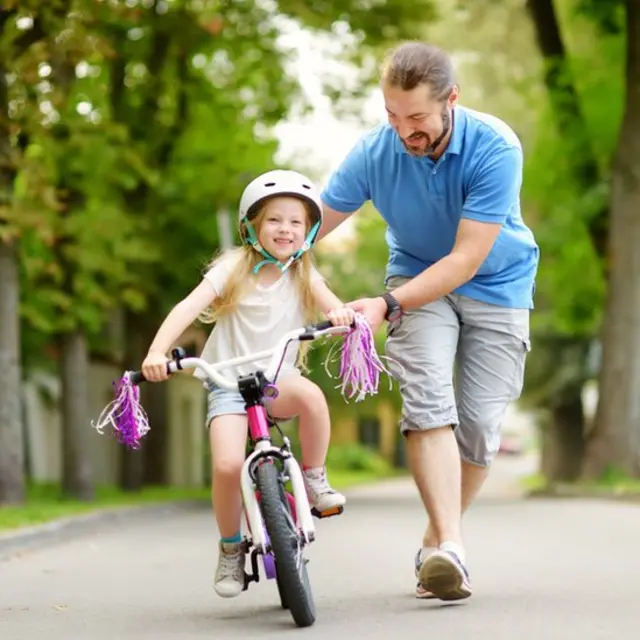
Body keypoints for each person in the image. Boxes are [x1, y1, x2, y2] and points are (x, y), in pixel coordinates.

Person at [318, 41, 539, 601]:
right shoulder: (375, 151)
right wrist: (261, 245)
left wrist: (385, 308)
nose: (403, 131)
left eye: (416, 117)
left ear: (451, 101)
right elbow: (313, 222)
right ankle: (450, 550)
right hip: (416, 283)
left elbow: (466, 259)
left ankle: (437, 539)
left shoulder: (495, 146)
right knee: (428, 404)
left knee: (482, 425)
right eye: (392, 115)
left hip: (497, 283)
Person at [141, 169, 353, 599]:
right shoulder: (233, 267)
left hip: (278, 381)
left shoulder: (303, 273)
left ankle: (313, 478)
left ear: (309, 231)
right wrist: (156, 352)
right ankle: (231, 548)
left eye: (296, 222)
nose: (285, 229)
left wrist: (343, 317)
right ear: (252, 225)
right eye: (275, 219)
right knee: (224, 466)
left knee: (312, 396)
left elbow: (336, 309)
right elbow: (188, 307)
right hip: (227, 383)